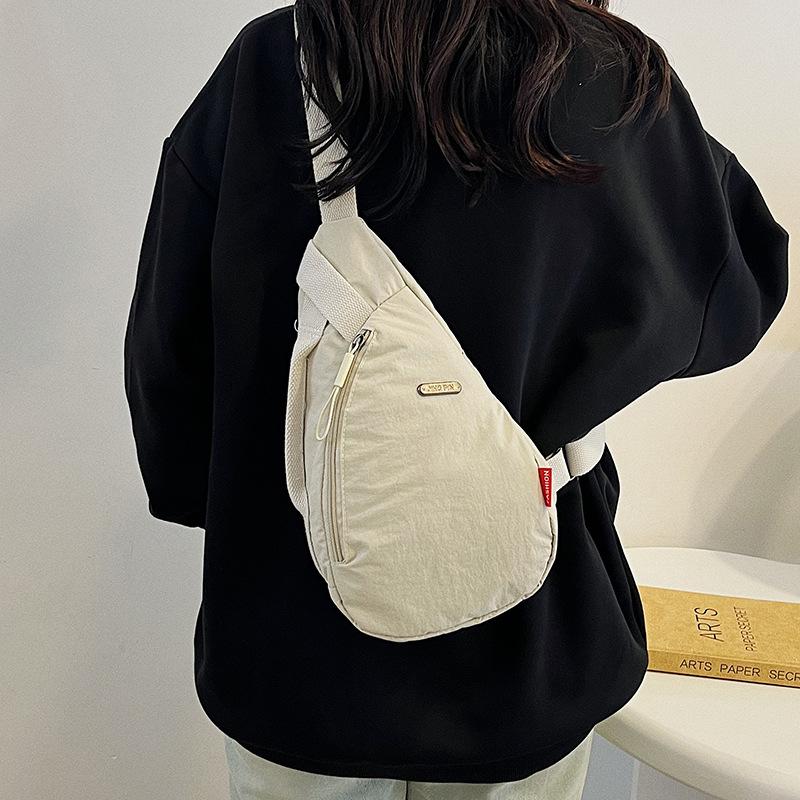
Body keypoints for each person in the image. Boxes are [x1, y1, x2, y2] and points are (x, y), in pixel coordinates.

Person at [123, 1, 790, 798]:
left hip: (294, 638)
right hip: (529, 640)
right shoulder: (603, 73)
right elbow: (735, 290)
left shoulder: (276, 59)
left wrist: (217, 502)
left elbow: (172, 344)